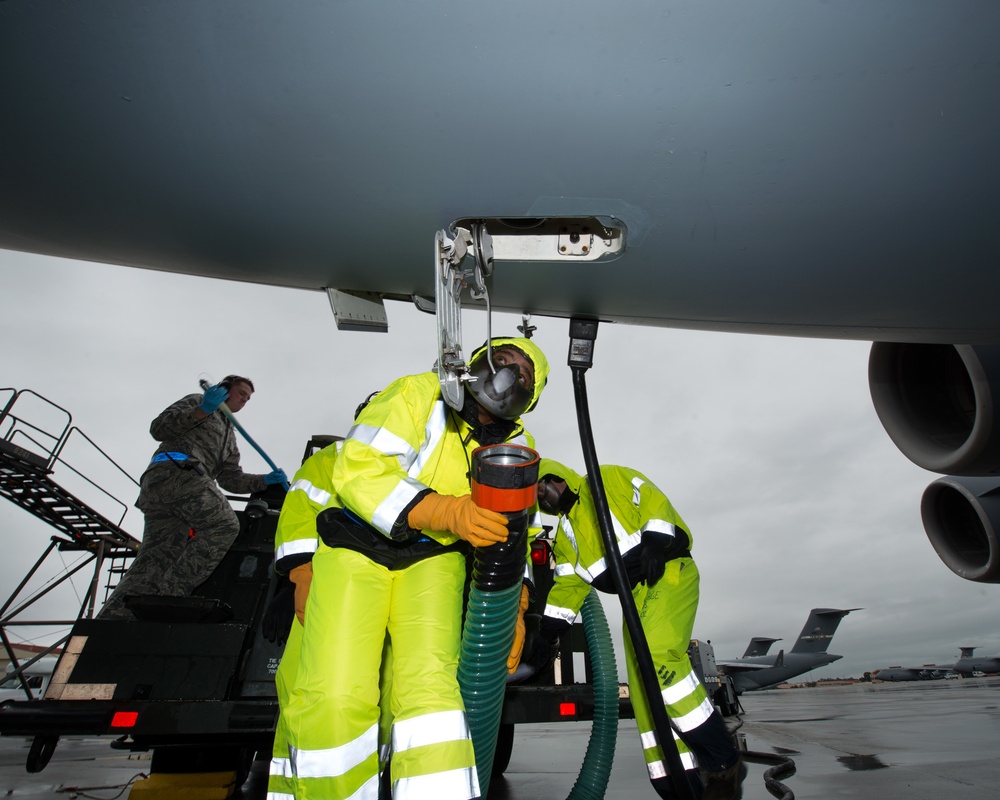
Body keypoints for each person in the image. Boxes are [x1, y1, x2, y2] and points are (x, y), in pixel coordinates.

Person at [283, 337, 549, 799]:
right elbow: (361, 467)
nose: (507, 374)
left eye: (523, 375)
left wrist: (516, 604)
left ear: (530, 398)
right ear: (473, 363)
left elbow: (515, 534)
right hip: (357, 546)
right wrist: (444, 511)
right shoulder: (419, 393)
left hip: (435, 561)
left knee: (434, 702)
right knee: (336, 692)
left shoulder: (518, 447)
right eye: (501, 359)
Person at [526, 459, 742, 800]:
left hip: (667, 570)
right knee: (642, 688)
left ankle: (722, 759)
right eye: (536, 499)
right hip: (635, 598)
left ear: (556, 479)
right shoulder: (566, 537)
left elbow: (650, 498)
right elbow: (568, 588)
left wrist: (656, 541)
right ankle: (675, 782)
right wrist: (548, 633)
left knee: (656, 657)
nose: (543, 500)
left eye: (541, 490)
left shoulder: (605, 478)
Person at [99, 376, 287, 620]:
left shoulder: (230, 438)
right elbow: (159, 428)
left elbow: (230, 479)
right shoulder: (197, 402)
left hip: (180, 492)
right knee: (225, 525)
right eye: (241, 393)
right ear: (223, 389)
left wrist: (265, 480)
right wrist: (201, 410)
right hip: (174, 474)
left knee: (156, 560)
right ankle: (171, 597)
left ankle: (109, 623)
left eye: (248, 398)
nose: (244, 400)